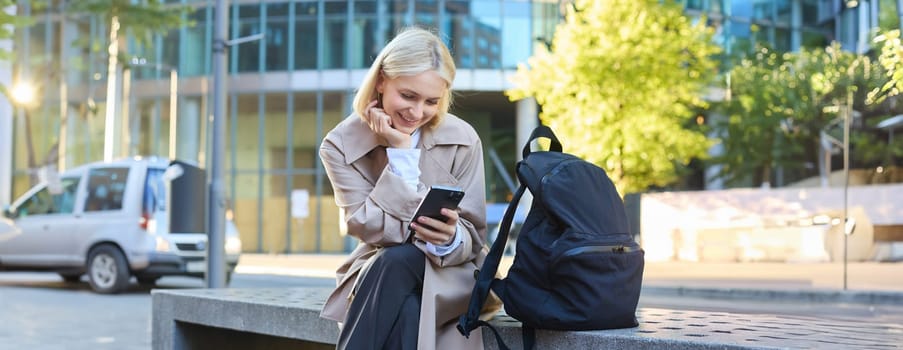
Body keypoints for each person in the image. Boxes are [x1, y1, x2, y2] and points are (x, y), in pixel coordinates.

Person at [318, 27, 497, 350]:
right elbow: (371, 230)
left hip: (451, 276)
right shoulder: (340, 145)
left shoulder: (463, 139)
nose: (417, 113)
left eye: (432, 101)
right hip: (379, 273)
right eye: (408, 96)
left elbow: (474, 237)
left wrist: (449, 239)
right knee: (404, 295)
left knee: (399, 263)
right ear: (382, 80)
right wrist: (401, 154)